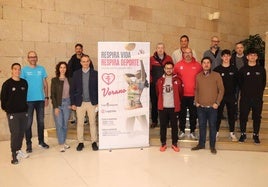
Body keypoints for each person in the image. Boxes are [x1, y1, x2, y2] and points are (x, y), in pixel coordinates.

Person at [191, 57, 224, 154]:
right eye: (204, 63)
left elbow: (221, 90)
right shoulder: (198, 76)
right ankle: (201, 144)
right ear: (201, 64)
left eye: (208, 63)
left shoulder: (216, 75)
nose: (206, 64)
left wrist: (217, 102)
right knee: (201, 126)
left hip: (212, 108)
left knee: (213, 126)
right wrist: (196, 101)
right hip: (201, 107)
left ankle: (212, 146)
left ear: (210, 64)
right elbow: (196, 90)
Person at [21, 51, 49, 153]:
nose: (33, 58)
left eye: (34, 57)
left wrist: (46, 97)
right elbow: (22, 86)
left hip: (40, 100)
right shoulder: (24, 70)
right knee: (28, 123)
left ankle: (41, 141)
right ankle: (29, 144)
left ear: (37, 58)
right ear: (28, 59)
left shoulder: (41, 69)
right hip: (28, 101)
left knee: (41, 122)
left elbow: (45, 84)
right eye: (30, 57)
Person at [1, 63, 29, 164]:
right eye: (15, 69)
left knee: (21, 133)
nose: (17, 71)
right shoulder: (7, 84)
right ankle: (13, 154)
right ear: (12, 70)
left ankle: (18, 150)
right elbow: (3, 100)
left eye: (19, 69)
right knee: (15, 133)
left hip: (23, 112)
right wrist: (9, 110)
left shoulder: (24, 83)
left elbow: (24, 97)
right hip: (13, 114)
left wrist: (25, 109)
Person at [70, 54, 98, 151]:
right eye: (84, 61)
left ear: (89, 62)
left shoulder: (95, 74)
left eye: (87, 61)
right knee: (80, 124)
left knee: (93, 123)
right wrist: (72, 103)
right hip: (80, 103)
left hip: (92, 103)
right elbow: (72, 89)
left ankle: (94, 142)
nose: (85, 63)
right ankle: (80, 142)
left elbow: (98, 89)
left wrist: (98, 102)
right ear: (81, 62)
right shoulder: (76, 74)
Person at [238, 48, 266, 144]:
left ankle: (256, 135)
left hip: (257, 99)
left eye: (254, 55)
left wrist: (258, 94)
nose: (252, 57)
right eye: (251, 55)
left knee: (257, 117)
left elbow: (263, 83)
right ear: (247, 57)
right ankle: (243, 134)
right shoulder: (242, 70)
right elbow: (240, 84)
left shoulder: (261, 70)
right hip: (245, 98)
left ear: (257, 57)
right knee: (243, 116)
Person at [174, 48, 202, 139]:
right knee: (182, 114)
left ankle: (193, 131)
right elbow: (174, 78)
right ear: (183, 54)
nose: (187, 54)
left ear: (192, 54)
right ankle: (181, 130)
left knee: (193, 114)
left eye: (189, 52)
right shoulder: (178, 65)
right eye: (186, 53)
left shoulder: (198, 66)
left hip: (194, 95)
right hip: (182, 95)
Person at [156, 61, 183, 152]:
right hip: (163, 107)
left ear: (173, 69)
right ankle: (163, 144)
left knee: (174, 126)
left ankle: (174, 144)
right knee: (163, 126)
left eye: (170, 68)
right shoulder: (160, 80)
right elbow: (158, 93)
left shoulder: (177, 80)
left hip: (173, 108)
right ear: (164, 69)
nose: (168, 70)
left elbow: (180, 93)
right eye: (167, 68)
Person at [214, 49, 238, 141]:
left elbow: (237, 83)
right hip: (220, 96)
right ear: (221, 57)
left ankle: (232, 133)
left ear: (230, 57)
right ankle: (216, 132)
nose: (226, 57)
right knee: (218, 115)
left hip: (231, 96)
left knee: (231, 115)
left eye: (228, 56)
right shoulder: (217, 70)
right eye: (224, 56)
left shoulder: (234, 69)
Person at [149, 42, 173, 128]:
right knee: (154, 103)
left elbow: (171, 71)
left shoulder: (169, 58)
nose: (160, 49)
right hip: (154, 86)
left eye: (162, 48)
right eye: (158, 48)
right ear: (156, 49)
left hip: (166, 85)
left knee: (166, 103)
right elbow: (148, 72)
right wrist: (152, 82)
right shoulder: (151, 59)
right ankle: (154, 121)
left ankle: (166, 122)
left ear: (164, 49)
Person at [68, 43, 92, 125]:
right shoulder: (72, 59)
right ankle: (74, 117)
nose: (78, 50)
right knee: (75, 99)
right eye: (77, 48)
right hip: (75, 83)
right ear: (75, 50)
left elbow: (91, 69)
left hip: (85, 82)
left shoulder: (86, 58)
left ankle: (85, 117)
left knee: (84, 100)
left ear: (82, 49)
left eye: (79, 48)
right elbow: (69, 72)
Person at [51, 62, 71, 152]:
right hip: (58, 104)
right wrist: (55, 107)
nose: (62, 69)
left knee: (65, 124)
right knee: (59, 124)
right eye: (61, 67)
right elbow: (53, 94)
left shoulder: (70, 79)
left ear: (66, 69)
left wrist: (72, 103)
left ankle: (64, 140)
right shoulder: (54, 80)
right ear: (58, 69)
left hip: (67, 103)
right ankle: (61, 144)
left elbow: (73, 92)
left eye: (64, 67)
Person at [230, 42, 247, 120]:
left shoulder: (247, 57)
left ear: (243, 48)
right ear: (235, 49)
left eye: (241, 47)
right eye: (237, 48)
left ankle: (244, 114)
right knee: (235, 98)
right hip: (235, 82)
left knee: (245, 99)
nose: (239, 49)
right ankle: (235, 114)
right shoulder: (232, 58)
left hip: (245, 82)